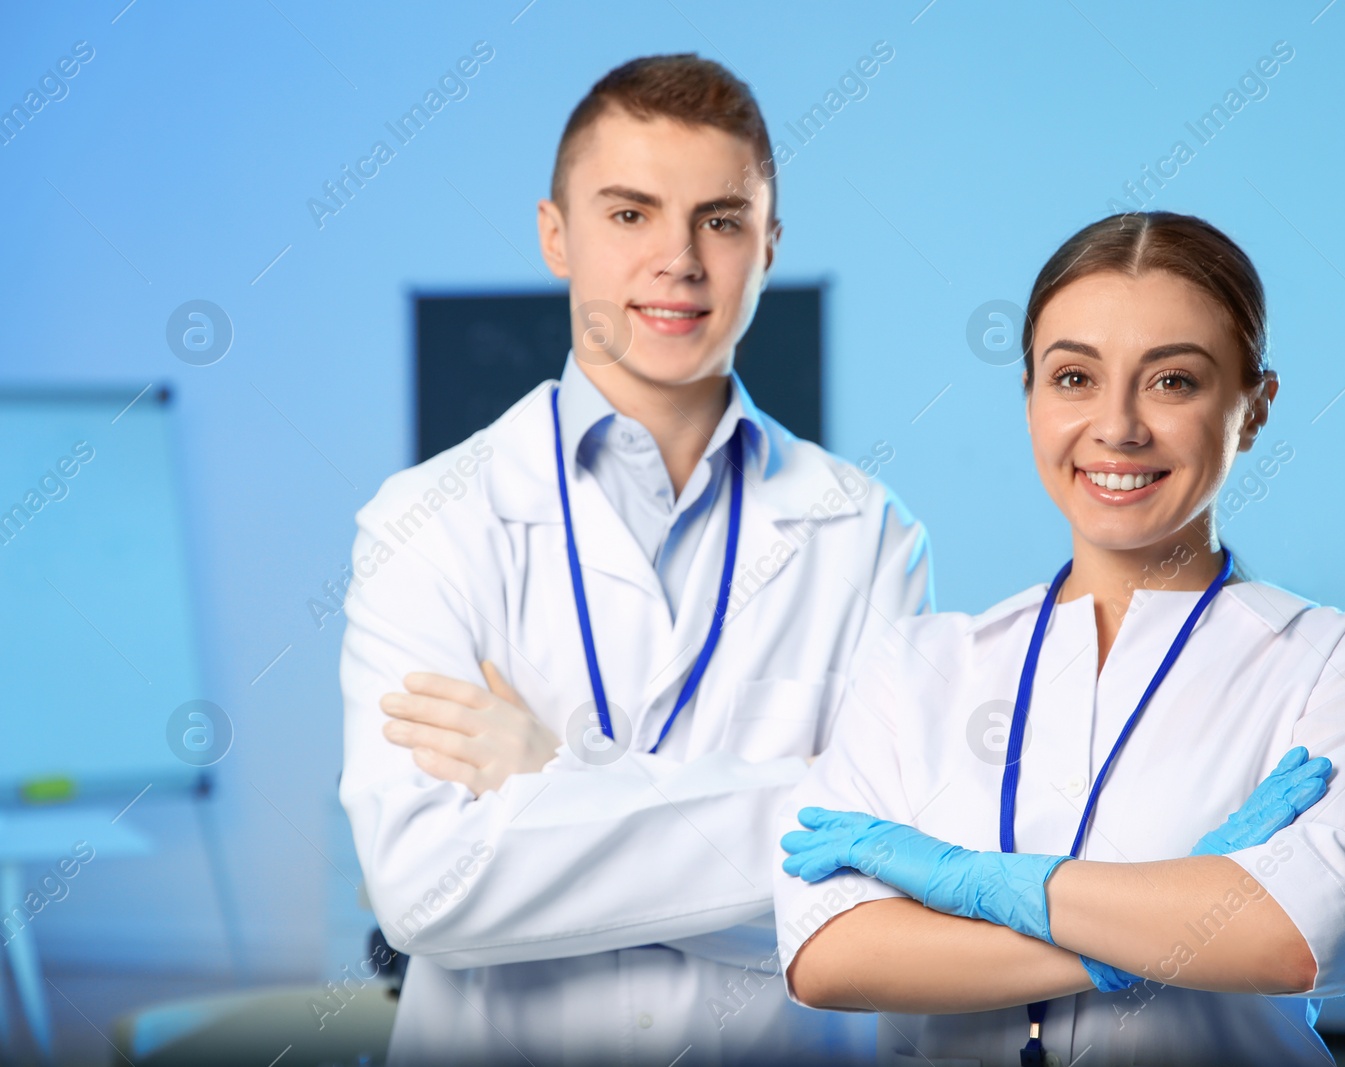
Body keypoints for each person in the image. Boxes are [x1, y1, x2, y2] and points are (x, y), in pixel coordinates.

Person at [337, 55, 934, 1066]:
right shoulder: (423, 521)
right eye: (628, 216)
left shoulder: (866, 530)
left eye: (720, 217)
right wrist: (792, 815)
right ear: (555, 235)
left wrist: (552, 774)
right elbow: (424, 887)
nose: (679, 260)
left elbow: (878, 899)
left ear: (768, 244)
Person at [773, 211, 1345, 1066]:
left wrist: (972, 885)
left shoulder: (1340, 660)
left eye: (1173, 382)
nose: (1117, 427)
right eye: (1074, 377)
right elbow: (829, 953)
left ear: (1255, 408)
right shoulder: (918, 664)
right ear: (1031, 396)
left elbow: (1304, 934)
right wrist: (1165, 924)